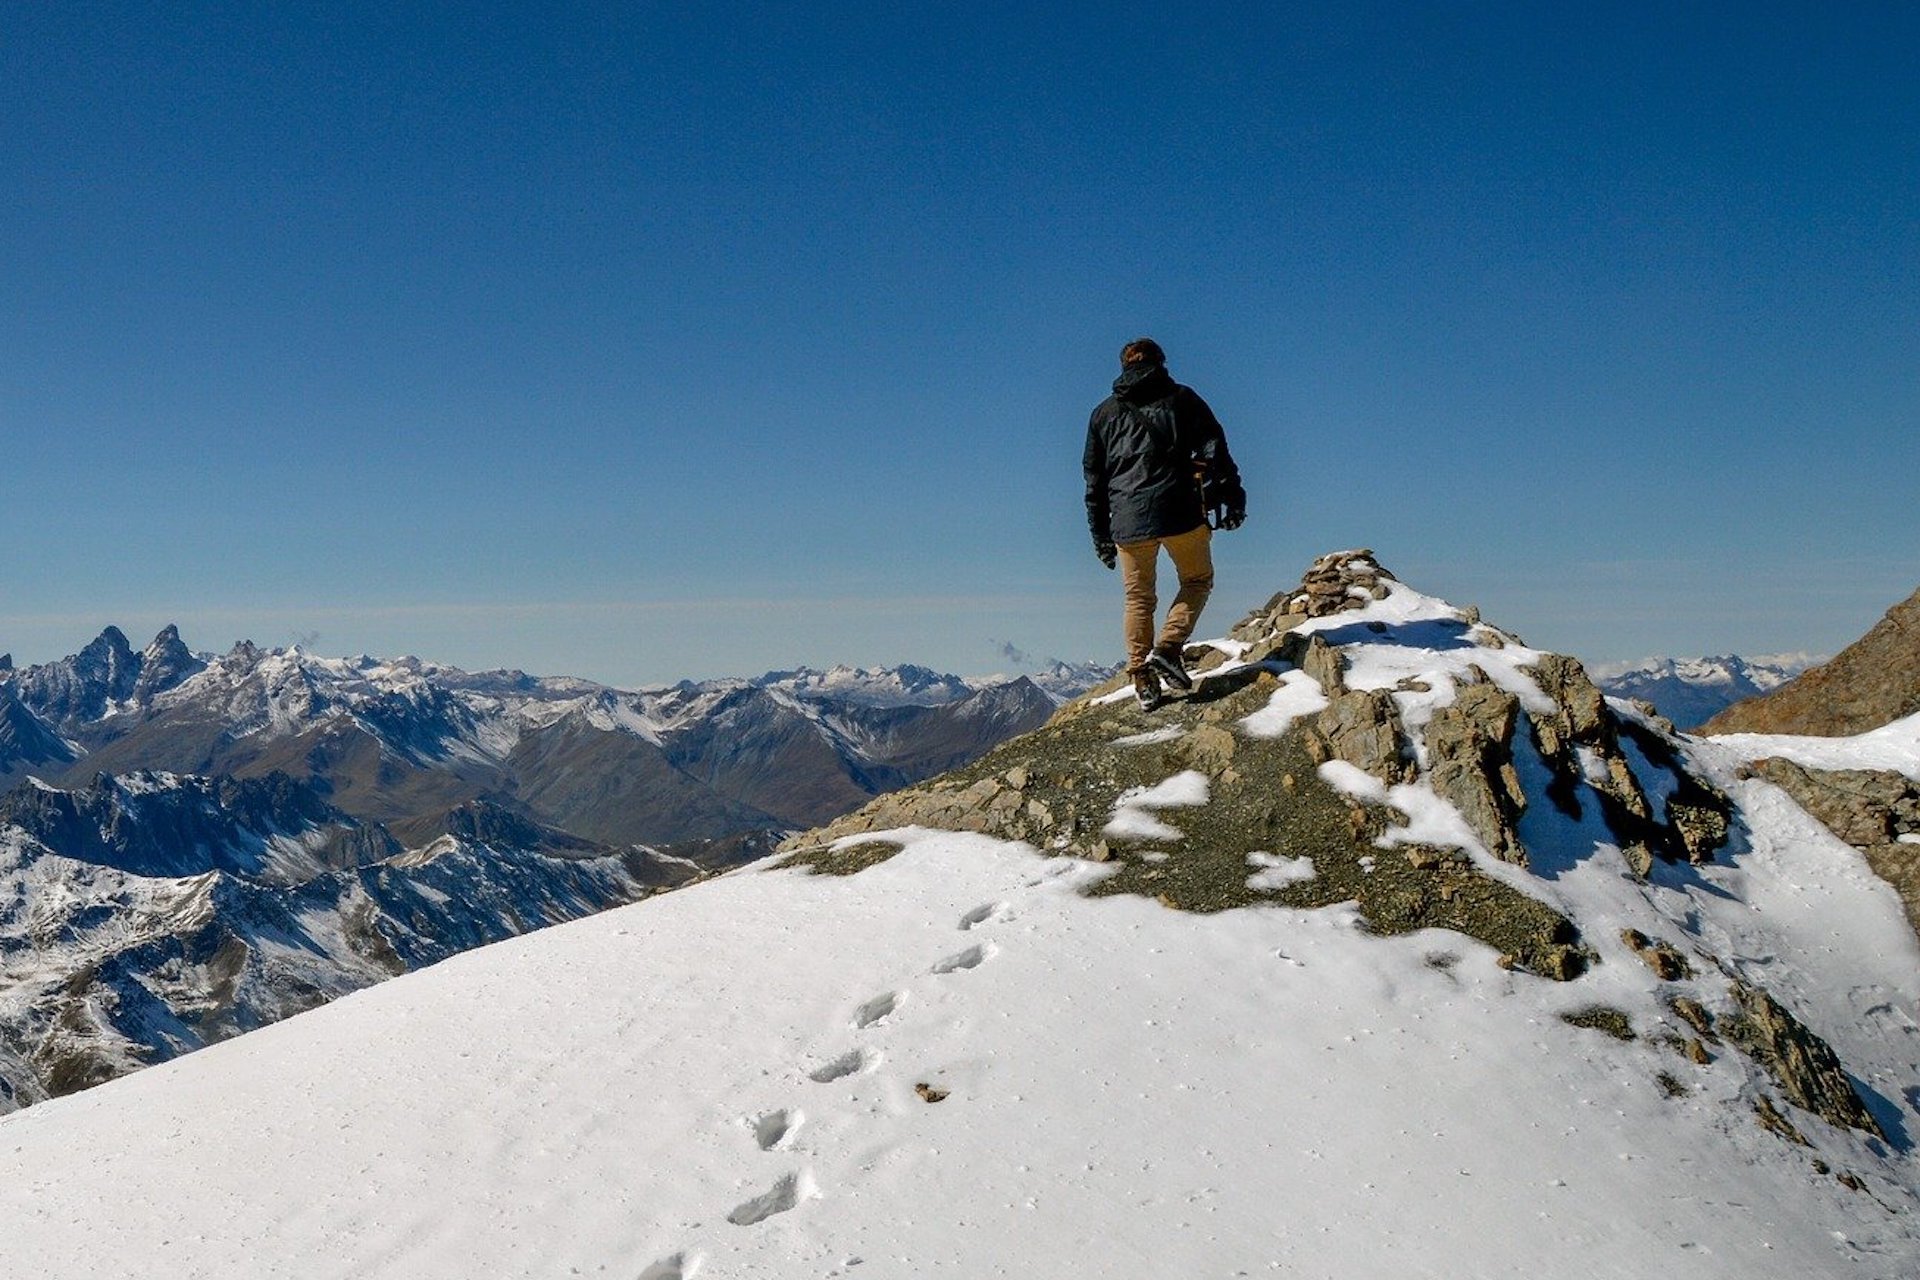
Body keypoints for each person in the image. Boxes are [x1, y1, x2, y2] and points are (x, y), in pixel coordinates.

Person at [1083, 337, 1246, 712]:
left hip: (1126, 521)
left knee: (1138, 598)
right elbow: (1215, 450)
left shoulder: (1102, 415)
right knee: (1197, 580)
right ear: (1161, 363)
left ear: (1123, 368)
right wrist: (1233, 497)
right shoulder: (1183, 399)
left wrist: (1100, 536)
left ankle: (1142, 677)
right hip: (1180, 511)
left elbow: (1093, 481)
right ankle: (1169, 648)